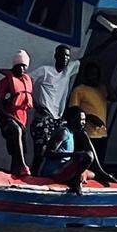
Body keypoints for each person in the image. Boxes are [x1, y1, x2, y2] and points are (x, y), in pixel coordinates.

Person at [41, 107, 116, 193]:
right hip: (55, 171)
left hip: (66, 168)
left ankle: (95, 173)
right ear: (72, 120)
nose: (83, 123)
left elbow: (88, 145)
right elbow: (48, 153)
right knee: (88, 155)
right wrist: (73, 155)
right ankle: (75, 180)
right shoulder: (63, 132)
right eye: (80, 120)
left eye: (84, 120)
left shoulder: (74, 132)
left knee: (93, 174)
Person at [30, 44, 79, 173]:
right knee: (40, 152)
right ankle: (31, 178)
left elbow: (87, 57)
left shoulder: (67, 72)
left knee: (55, 151)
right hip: (44, 117)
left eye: (68, 56)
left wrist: (110, 41)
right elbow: (26, 81)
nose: (65, 58)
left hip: (58, 120)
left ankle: (43, 177)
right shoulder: (45, 71)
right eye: (62, 55)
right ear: (56, 56)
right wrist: (34, 104)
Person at [0, 50, 34, 177]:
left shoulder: (26, 80)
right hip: (8, 121)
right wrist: (13, 119)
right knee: (15, 130)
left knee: (17, 149)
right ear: (14, 65)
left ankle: (15, 174)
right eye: (20, 65)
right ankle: (23, 165)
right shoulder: (5, 82)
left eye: (25, 66)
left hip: (22, 120)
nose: (22, 69)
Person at [67, 62, 115, 162]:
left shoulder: (102, 89)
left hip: (101, 133)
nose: (94, 77)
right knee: (86, 161)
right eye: (91, 74)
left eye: (96, 74)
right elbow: (73, 111)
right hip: (86, 133)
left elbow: (114, 97)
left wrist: (106, 82)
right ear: (86, 75)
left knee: (99, 162)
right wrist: (89, 117)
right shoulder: (79, 90)